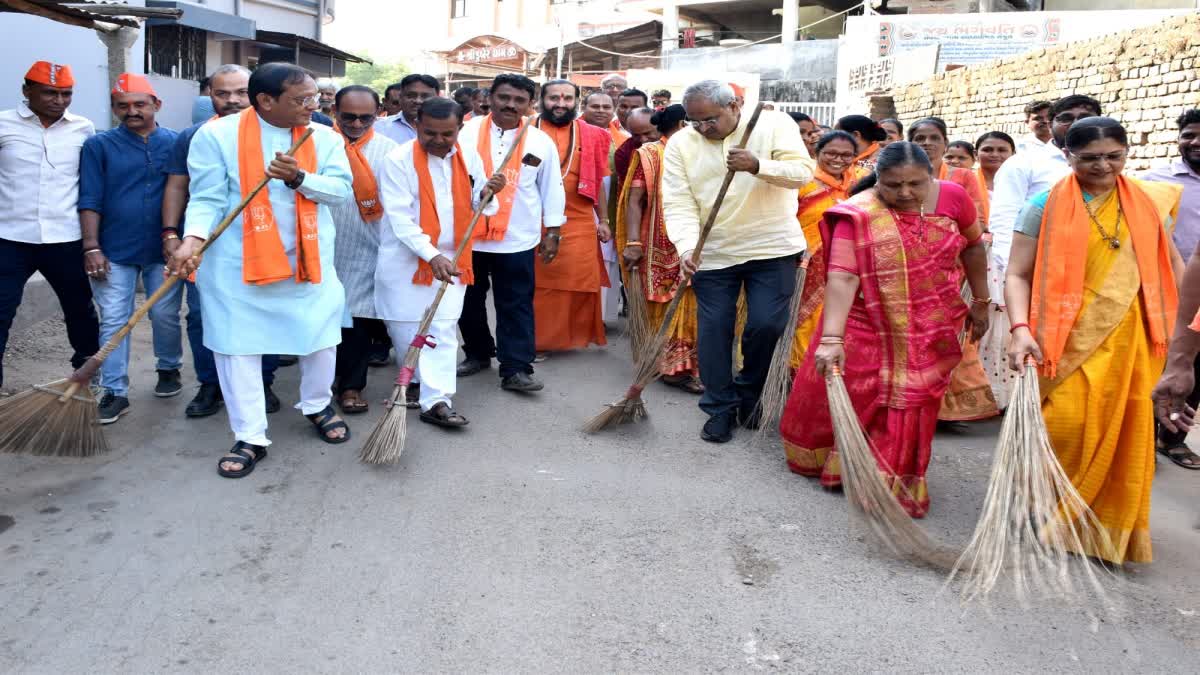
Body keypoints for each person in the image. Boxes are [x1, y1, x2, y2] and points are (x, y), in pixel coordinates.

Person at [780, 142, 990, 518]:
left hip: (932, 322)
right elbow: (842, 277)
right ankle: (852, 464)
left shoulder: (956, 198)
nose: (905, 193)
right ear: (878, 181)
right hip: (868, 321)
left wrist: (980, 300)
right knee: (867, 394)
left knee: (912, 400)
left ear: (931, 175)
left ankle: (892, 476)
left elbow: (974, 248)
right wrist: (832, 339)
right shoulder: (858, 213)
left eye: (915, 184)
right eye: (893, 185)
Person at [1008, 117, 1184, 564]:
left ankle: (1103, 531)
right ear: (1067, 156)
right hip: (1063, 339)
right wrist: (1020, 329)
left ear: (1127, 154)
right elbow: (1017, 274)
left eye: (1114, 156)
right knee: (1063, 425)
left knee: (1126, 434)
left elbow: (1175, 268)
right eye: (1090, 158)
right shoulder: (1043, 205)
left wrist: (1185, 335)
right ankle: (1047, 512)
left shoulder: (1149, 202)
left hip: (1134, 340)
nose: (1104, 166)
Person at [169, 62, 354, 479]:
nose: (314, 105)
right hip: (237, 265)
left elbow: (341, 192)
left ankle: (317, 405)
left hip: (308, 262)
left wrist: (300, 177)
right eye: (302, 99)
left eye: (314, 97)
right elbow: (207, 198)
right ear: (265, 101)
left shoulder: (323, 136)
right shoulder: (215, 136)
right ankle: (250, 434)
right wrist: (192, 240)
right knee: (238, 348)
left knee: (320, 340)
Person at [663, 80, 813, 443]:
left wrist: (757, 165)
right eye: (694, 121)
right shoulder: (682, 144)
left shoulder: (774, 124)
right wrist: (685, 247)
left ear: (734, 105)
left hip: (772, 248)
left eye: (709, 120)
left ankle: (749, 393)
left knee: (765, 325)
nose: (702, 129)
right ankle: (719, 407)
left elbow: (803, 173)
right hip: (711, 253)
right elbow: (678, 202)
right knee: (714, 333)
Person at [375, 96, 505, 427]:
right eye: (429, 132)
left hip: (455, 256)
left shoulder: (468, 155)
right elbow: (400, 219)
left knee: (443, 329)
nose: (438, 140)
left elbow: (480, 206)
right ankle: (415, 382)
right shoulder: (397, 160)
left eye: (447, 134)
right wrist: (431, 255)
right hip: (406, 259)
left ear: (459, 129)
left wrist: (489, 192)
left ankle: (438, 400)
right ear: (417, 126)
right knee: (406, 328)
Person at [163, 64, 282, 419]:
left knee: (265, 312)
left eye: (241, 92)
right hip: (210, 244)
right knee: (202, 315)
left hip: (267, 243)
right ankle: (210, 383)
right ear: (209, 96)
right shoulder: (196, 135)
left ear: (258, 94)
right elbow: (177, 186)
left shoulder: (281, 132)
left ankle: (263, 382)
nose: (232, 100)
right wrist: (172, 233)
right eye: (222, 93)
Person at [79, 73, 182, 424]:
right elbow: (89, 197)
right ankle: (115, 391)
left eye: (140, 104)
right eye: (123, 106)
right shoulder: (99, 145)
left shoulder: (176, 142)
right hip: (113, 249)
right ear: (113, 109)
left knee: (165, 315)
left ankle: (169, 367)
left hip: (165, 249)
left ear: (157, 105)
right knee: (114, 320)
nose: (132, 111)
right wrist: (91, 246)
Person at [456, 74, 566, 391]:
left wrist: (553, 231)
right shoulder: (467, 132)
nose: (510, 105)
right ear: (489, 97)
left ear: (529, 104)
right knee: (468, 301)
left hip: (518, 237)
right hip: (470, 236)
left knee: (515, 303)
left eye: (519, 100)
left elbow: (552, 188)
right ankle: (477, 353)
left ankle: (516, 368)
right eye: (504, 97)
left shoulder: (539, 140)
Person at [0, 61, 99, 392]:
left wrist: (91, 242)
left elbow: (90, 183)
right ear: (27, 91)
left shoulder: (84, 129)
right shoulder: (3, 124)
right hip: (10, 237)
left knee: (81, 312)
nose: (59, 100)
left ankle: (86, 377)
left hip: (65, 238)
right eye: (50, 93)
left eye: (66, 93)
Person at [907, 116, 997, 423]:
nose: (927, 144)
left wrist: (943, 236)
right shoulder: (897, 179)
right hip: (904, 276)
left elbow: (978, 224)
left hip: (950, 272)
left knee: (945, 340)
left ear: (945, 143)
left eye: (934, 138)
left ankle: (945, 408)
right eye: (919, 138)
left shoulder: (960, 178)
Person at [990, 95, 1102, 312]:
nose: (1076, 123)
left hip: (1100, 275)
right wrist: (1019, 278)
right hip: (1043, 277)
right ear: (1052, 124)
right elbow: (1005, 223)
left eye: (1085, 117)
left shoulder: (1109, 164)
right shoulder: (1023, 163)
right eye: (1067, 118)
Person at [619, 104, 700, 392]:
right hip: (658, 244)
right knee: (667, 304)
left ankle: (689, 366)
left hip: (697, 240)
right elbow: (634, 200)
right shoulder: (650, 154)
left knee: (695, 303)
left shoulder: (701, 152)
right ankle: (671, 367)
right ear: (682, 124)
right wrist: (632, 242)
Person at [328, 85, 398, 414]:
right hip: (323, 246)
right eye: (348, 117)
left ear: (378, 113)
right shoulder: (317, 143)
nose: (356, 124)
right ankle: (322, 382)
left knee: (358, 321)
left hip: (367, 247)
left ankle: (351, 386)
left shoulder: (392, 151)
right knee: (325, 322)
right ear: (334, 112)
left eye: (365, 118)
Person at [530, 81, 612, 355]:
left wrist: (604, 220)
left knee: (577, 278)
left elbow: (598, 179)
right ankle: (537, 341)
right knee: (539, 282)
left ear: (577, 101)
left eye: (567, 98)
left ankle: (570, 337)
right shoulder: (526, 130)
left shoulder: (593, 134)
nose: (560, 104)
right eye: (554, 98)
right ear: (541, 100)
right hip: (533, 216)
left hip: (578, 217)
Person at [1143, 109, 1200, 469]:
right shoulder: (1156, 183)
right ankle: (1143, 440)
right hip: (1172, 290)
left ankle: (1173, 439)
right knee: (1166, 364)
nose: (1195, 143)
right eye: (1189, 135)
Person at [788, 131, 870, 368]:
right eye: (831, 153)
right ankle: (795, 374)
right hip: (804, 263)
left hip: (848, 266)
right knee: (802, 322)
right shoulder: (803, 180)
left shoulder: (861, 182)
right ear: (817, 152)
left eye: (847, 155)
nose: (838, 159)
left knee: (836, 320)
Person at [971, 130, 1018, 410]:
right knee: (979, 319)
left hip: (1008, 254)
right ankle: (977, 392)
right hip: (977, 257)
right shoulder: (968, 182)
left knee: (1004, 321)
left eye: (1002, 150)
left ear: (1012, 154)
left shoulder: (1016, 182)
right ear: (977, 153)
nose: (995, 155)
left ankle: (1003, 394)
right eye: (988, 149)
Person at [375, 74, 440, 145]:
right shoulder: (379, 128)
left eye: (425, 96)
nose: (418, 101)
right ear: (400, 98)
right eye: (411, 95)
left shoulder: (449, 128)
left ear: (437, 99)